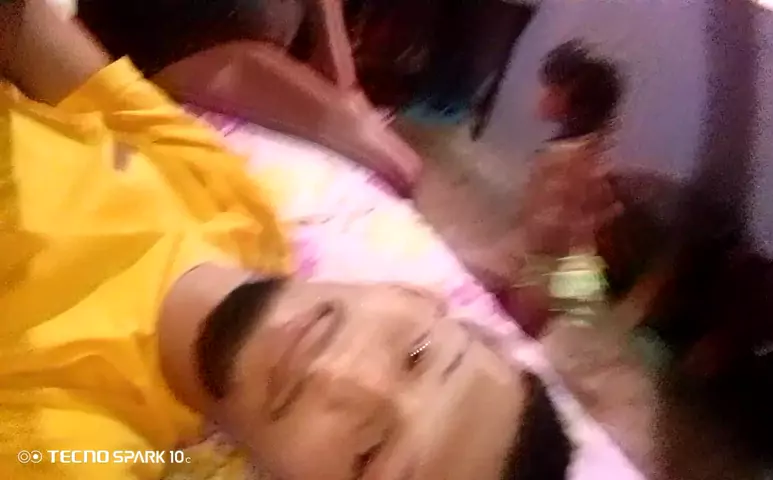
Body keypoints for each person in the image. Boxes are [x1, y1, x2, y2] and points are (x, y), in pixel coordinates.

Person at [0, 1, 571, 478]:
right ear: (412, 295)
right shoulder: (244, 217)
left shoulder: (75, 447)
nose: (347, 377)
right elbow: (32, 35)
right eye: (416, 357)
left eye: (368, 457)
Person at [76, 0, 421, 196]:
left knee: (394, 164)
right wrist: (344, 111)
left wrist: (339, 67)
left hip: (224, 54)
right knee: (396, 165)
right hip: (174, 56)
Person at [466, 40, 625, 336]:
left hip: (540, 282)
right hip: (548, 272)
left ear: (572, 101)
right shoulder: (584, 152)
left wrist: (500, 274)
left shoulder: (567, 162)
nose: (541, 96)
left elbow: (545, 240)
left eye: (552, 90)